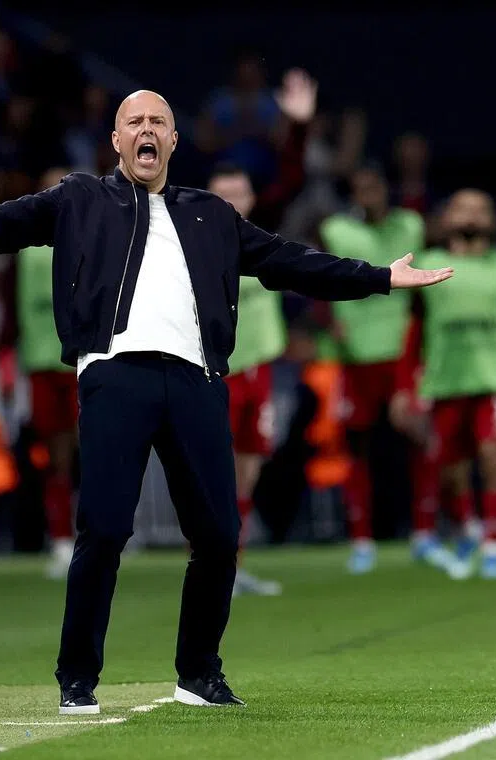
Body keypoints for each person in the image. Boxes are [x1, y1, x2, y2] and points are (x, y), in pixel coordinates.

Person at [0, 88, 451, 714]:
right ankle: (78, 679)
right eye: (135, 122)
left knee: (219, 535)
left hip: (196, 380)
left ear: (173, 141)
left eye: (158, 122)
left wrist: (380, 277)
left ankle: (199, 674)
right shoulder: (79, 199)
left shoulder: (211, 214)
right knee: (104, 530)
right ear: (117, 140)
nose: (146, 130)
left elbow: (292, 262)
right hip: (115, 375)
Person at [390, 189, 496, 580]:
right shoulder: (426, 264)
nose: (472, 216)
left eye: (481, 209)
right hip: (445, 382)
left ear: (493, 220)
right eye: (463, 208)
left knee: (495, 458)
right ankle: (469, 531)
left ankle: (495, 548)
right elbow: (414, 333)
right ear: (446, 217)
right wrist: (403, 387)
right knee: (451, 472)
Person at [206, 68, 318, 597]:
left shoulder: (260, 235)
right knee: (215, 473)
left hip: (260, 372)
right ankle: (209, 568)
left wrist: (298, 127)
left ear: (253, 198)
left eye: (240, 192)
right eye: (222, 193)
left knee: (248, 471)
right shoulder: (192, 240)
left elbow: (291, 178)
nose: (232, 200)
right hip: (214, 372)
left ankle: (232, 567)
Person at [317, 164, 431, 573]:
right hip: (356, 356)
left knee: (419, 439)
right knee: (357, 448)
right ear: (352, 194)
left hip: (401, 354)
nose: (369, 194)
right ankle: (362, 540)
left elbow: (425, 285)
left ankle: (425, 534)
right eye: (361, 188)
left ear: (386, 188)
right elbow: (316, 280)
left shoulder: (411, 225)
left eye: (375, 186)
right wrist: (329, 323)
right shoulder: (335, 231)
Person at [0, 167, 82, 579]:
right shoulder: (25, 250)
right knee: (57, 461)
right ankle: (63, 541)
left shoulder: (96, 240)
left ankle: (104, 534)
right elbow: (11, 315)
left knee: (100, 453)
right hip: (43, 366)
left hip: (87, 361)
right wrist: (7, 368)